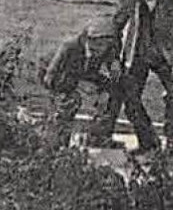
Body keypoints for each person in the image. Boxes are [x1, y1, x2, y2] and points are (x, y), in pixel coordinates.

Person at [88, 0, 173, 155]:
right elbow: (113, 32)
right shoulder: (129, 0)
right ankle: (149, 143)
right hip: (137, 56)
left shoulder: (171, 0)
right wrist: (115, 61)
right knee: (131, 99)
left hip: (166, 57)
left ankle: (172, 146)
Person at [41, 17, 120, 151]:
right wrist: (66, 92)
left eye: (106, 46)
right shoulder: (69, 47)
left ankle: (98, 137)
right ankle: (55, 142)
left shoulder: (108, 50)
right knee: (68, 103)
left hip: (85, 73)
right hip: (61, 75)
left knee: (111, 98)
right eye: (99, 45)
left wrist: (108, 87)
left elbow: (114, 68)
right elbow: (50, 76)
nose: (102, 50)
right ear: (89, 40)